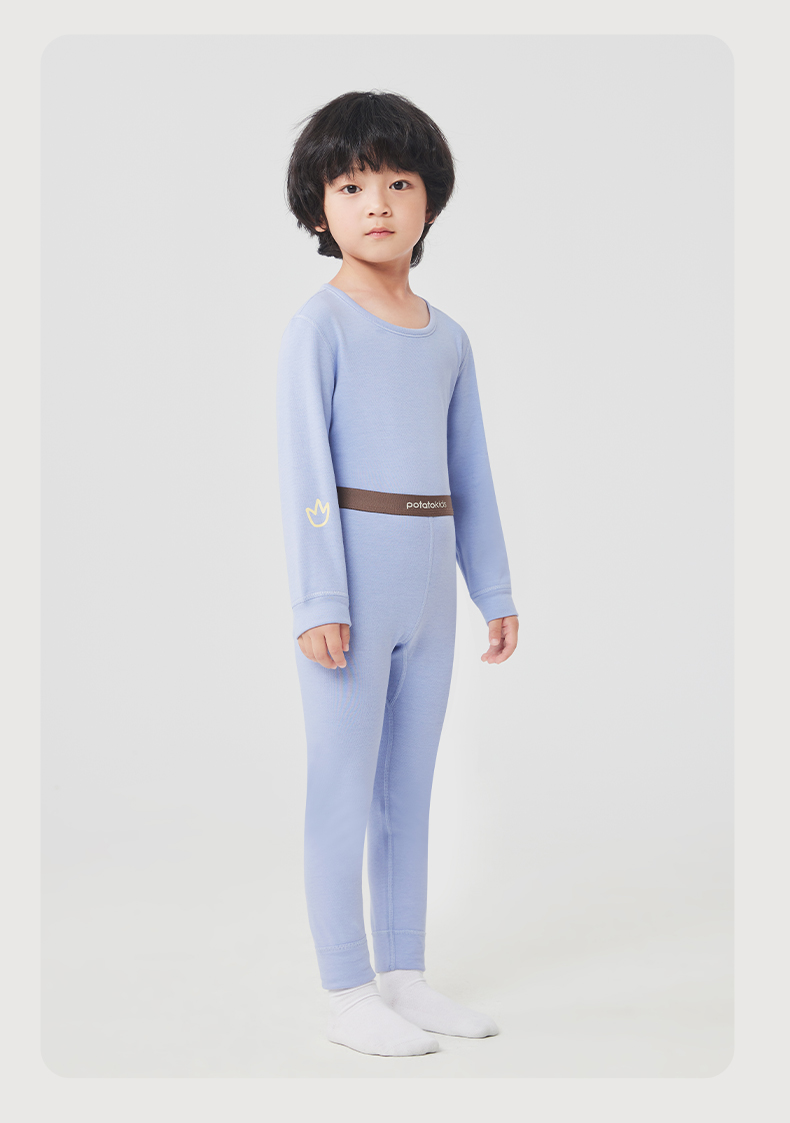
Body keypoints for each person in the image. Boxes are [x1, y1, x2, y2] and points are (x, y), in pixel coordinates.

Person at [276, 90, 519, 1057]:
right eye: (350, 184)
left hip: (431, 587)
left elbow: (472, 471)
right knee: (342, 786)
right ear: (318, 206)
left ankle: (404, 975)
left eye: (398, 181)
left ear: (430, 200)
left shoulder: (448, 337)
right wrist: (319, 598)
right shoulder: (320, 326)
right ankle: (347, 990)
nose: (376, 201)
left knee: (408, 788)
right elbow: (304, 469)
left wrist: (493, 589)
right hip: (352, 583)